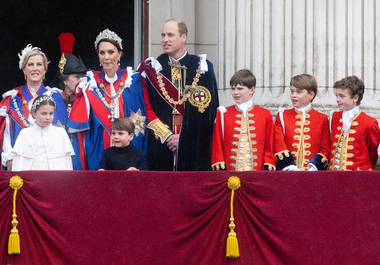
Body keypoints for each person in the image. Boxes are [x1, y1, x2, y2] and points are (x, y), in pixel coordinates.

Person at [68, 28, 164, 171]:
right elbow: (79, 126)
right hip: (99, 145)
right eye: (102, 52)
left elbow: (144, 114)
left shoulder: (133, 80)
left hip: (130, 148)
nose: (106, 57)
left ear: (119, 54)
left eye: (111, 52)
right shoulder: (90, 83)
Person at [137, 19, 220, 171]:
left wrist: (183, 138)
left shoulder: (202, 67)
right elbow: (146, 108)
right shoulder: (153, 69)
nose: (165, 40)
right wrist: (167, 136)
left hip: (194, 146)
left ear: (183, 37)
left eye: (170, 35)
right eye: (163, 35)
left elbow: (209, 111)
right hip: (162, 145)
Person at [0, 44, 68, 170]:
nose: (35, 69)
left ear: (45, 69)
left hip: (50, 163)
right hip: (20, 161)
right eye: (30, 64)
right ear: (23, 69)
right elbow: (6, 133)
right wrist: (10, 158)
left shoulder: (55, 97)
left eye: (39, 64)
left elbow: (62, 133)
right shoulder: (12, 99)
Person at [211, 69, 275, 171]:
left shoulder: (265, 114)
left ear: (252, 90)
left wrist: (268, 163)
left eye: (240, 89)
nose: (235, 92)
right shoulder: (223, 114)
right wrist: (219, 164)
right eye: (233, 89)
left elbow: (269, 144)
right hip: (230, 173)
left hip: (257, 172)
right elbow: (217, 143)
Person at [273, 73, 330, 170]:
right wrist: (290, 167)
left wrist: (313, 168)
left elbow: (326, 148)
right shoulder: (282, 116)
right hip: (287, 174)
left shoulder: (322, 118)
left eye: (299, 92)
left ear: (311, 95)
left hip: (312, 175)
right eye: (292, 91)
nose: (293, 95)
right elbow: (278, 143)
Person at [328, 76, 380, 171]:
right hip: (334, 176)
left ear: (355, 98)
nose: (337, 99)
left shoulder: (369, 122)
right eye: (337, 96)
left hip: (359, 177)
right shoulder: (334, 117)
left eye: (342, 96)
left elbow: (373, 153)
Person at [10, 94, 74, 171]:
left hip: (55, 179)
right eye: (44, 114)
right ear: (34, 114)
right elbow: (18, 162)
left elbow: (67, 163)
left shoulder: (61, 133)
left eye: (51, 113)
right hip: (32, 178)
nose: (48, 117)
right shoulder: (25, 133)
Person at [56, 32, 89, 169]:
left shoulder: (87, 99)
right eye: (76, 77)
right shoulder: (53, 99)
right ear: (64, 80)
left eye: (83, 77)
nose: (81, 81)